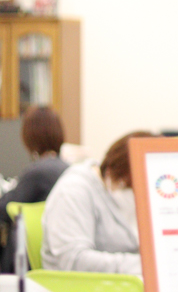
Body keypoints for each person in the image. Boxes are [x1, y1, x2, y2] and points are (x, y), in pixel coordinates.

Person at [41, 131, 153, 274]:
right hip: (80, 285)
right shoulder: (73, 191)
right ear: (121, 176)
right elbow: (74, 260)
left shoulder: (110, 186)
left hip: (117, 282)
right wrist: (142, 264)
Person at [0, 107, 70, 272]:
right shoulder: (67, 168)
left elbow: (4, 209)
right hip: (55, 258)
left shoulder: (37, 172)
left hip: (27, 265)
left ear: (29, 136)